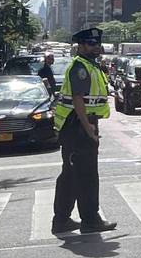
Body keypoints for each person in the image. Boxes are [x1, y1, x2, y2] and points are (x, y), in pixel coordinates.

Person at [51, 28, 118, 234]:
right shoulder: (80, 67)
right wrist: (88, 127)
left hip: (78, 125)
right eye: (90, 43)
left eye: (97, 43)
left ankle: (61, 219)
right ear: (80, 46)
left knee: (71, 174)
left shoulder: (90, 65)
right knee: (87, 174)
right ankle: (90, 219)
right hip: (78, 125)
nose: (96, 47)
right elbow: (78, 98)